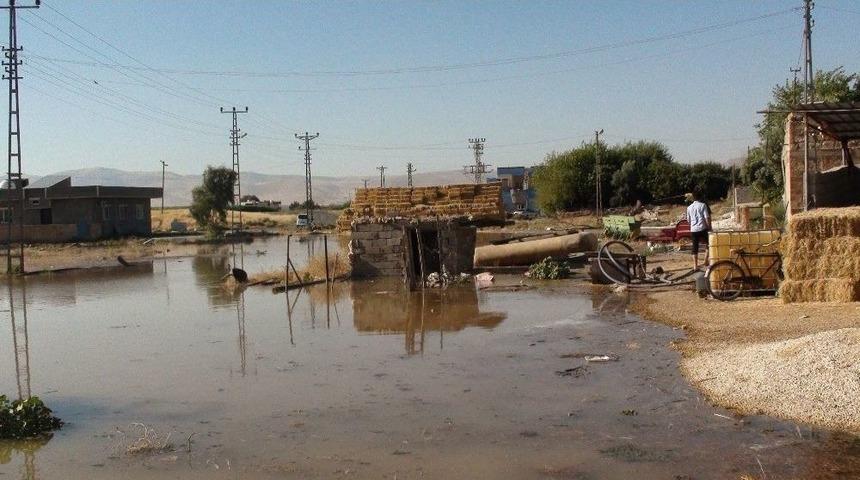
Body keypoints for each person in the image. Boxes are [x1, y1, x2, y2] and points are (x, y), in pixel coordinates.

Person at [686, 190, 711, 270]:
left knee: (695, 247)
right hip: (703, 228)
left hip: (693, 230)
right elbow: (706, 217)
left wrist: (692, 226)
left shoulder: (689, 208)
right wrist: (709, 228)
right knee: (709, 244)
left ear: (693, 197)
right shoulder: (703, 205)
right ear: (700, 197)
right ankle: (705, 261)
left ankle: (695, 266)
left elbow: (688, 220)